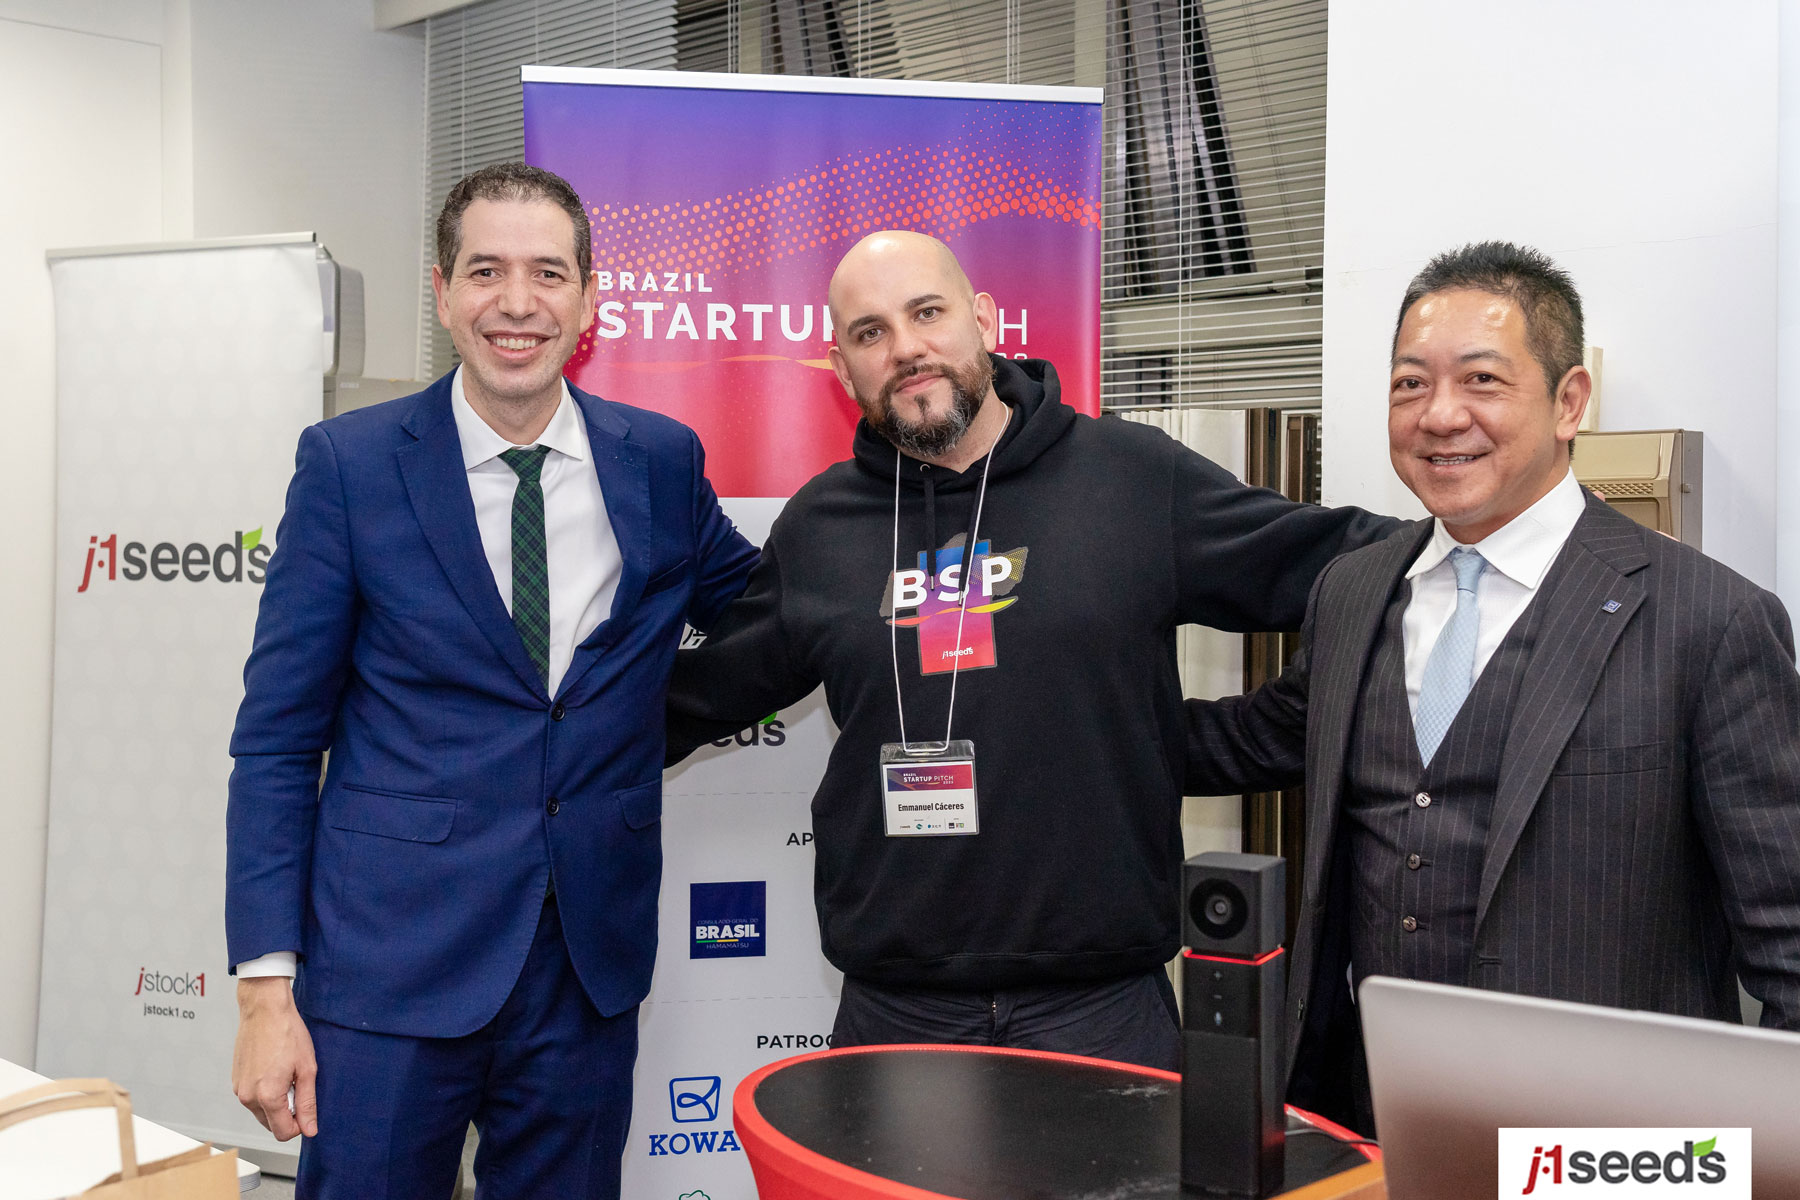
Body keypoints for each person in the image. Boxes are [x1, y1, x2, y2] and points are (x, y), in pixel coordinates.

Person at [664, 230, 1397, 1071]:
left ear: (982, 320)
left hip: (1103, 1010)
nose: (906, 349)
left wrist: (1199, 739)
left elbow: (1357, 571)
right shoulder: (820, 527)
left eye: (927, 313)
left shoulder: (1132, 479)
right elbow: (697, 697)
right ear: (842, 367)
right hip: (897, 1011)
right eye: (871, 332)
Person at [224, 162, 756, 1199]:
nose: (518, 303)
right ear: (442, 292)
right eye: (486, 271)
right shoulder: (349, 466)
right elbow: (278, 743)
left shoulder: (659, 460)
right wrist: (263, 994)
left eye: (548, 273)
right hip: (387, 969)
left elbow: (769, 609)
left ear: (590, 299)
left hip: (584, 968)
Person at [1185, 241, 1800, 1133]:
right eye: (1409, 384)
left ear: (1569, 402)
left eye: (1481, 380)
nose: (1440, 416)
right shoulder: (1354, 591)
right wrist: (1039, 704)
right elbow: (1253, 739)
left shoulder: (1710, 621)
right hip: (1373, 1118)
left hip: (1605, 1140)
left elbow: (1789, 940)